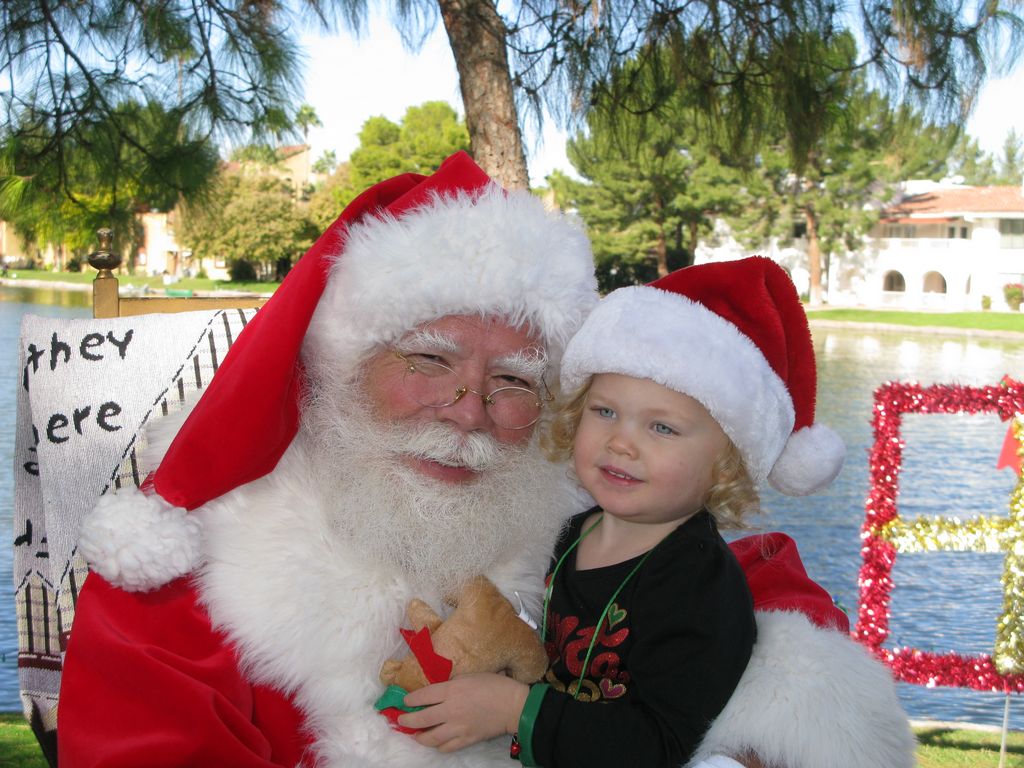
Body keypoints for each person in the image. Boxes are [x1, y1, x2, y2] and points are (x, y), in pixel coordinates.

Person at [57, 152, 915, 768]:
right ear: (338, 369)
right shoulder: (182, 581)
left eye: (513, 380)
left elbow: (762, 591)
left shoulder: (583, 515)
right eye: (427, 360)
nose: (469, 411)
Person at [397, 257, 850, 767]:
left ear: (726, 464)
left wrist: (515, 711)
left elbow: (661, 746)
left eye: (662, 428)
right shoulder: (574, 529)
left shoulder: (697, 584)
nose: (620, 443)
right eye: (605, 411)